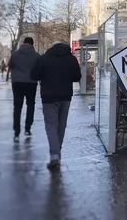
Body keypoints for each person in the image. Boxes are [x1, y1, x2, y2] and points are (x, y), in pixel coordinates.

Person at [31, 41, 82, 169]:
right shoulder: (71, 59)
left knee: (51, 126)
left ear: (51, 47)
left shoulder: (44, 58)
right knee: (61, 125)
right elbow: (77, 77)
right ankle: (57, 152)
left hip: (49, 97)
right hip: (66, 97)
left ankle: (55, 155)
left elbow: (34, 76)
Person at [8, 37, 41, 142]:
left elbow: (9, 65)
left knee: (17, 107)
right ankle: (27, 128)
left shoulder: (15, 54)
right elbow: (38, 69)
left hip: (17, 82)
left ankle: (16, 132)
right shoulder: (36, 56)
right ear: (32, 44)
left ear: (23, 43)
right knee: (30, 105)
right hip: (31, 83)